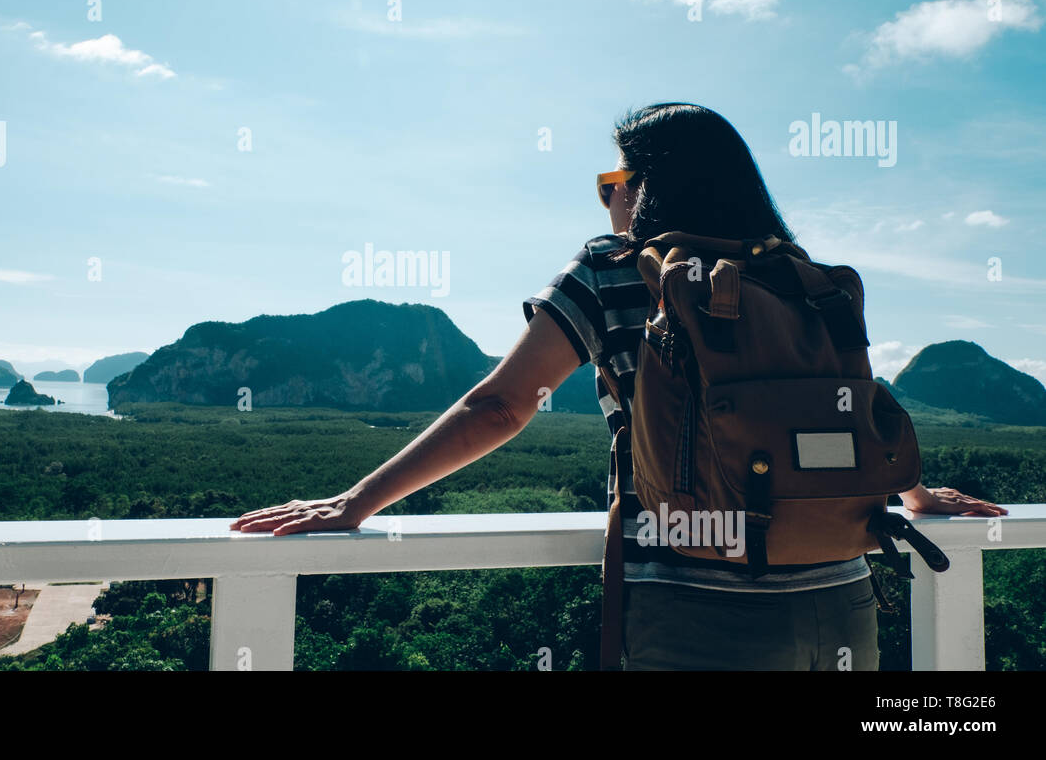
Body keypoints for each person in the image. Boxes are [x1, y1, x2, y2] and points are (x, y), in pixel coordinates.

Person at [230, 102, 1007, 671]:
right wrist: (911, 494)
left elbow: (502, 404)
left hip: (700, 613)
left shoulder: (612, 267)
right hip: (841, 595)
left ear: (648, 187)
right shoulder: (805, 278)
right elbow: (841, 416)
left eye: (617, 180)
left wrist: (355, 503)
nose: (608, 196)